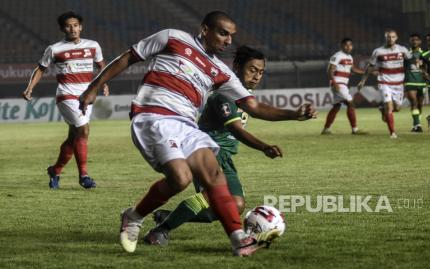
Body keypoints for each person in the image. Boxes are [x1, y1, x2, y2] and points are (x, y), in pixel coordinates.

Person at [79, 11, 317, 256]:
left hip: (186, 124)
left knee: (212, 171)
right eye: (223, 33)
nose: (228, 41)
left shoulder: (221, 71)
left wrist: (294, 113)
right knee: (179, 179)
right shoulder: (173, 38)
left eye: (231, 36)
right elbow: (128, 57)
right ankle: (134, 216)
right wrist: (93, 87)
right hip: (154, 115)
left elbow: (254, 106)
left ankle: (239, 239)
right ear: (205, 30)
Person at [143, 45, 283, 246]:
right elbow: (236, 130)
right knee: (210, 197)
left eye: (261, 72)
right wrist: (264, 147)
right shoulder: (224, 95)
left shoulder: (244, 97)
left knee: (236, 204)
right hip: (208, 153)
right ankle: (160, 231)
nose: (257, 76)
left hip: (226, 158)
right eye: (252, 70)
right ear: (237, 66)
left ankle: (171, 216)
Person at [22, 11, 109, 189]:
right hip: (66, 95)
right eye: (69, 25)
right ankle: (84, 175)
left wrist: (103, 83)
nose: (73, 28)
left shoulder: (93, 46)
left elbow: (102, 66)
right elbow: (40, 69)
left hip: (87, 94)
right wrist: (30, 88)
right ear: (63, 29)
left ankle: (56, 170)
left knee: (74, 137)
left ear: (81, 27)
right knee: (83, 130)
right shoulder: (55, 49)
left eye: (76, 25)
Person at [358, 29, 413, 139]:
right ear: (385, 38)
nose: (390, 39)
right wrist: (363, 80)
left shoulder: (402, 50)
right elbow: (370, 66)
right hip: (384, 82)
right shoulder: (378, 51)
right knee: (389, 107)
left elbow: (411, 60)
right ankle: (392, 132)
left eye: (393, 37)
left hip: (398, 83)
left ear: (396, 38)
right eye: (388, 37)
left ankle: (383, 110)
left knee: (397, 108)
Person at [322, 38, 366, 135]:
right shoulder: (337, 56)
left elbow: (353, 69)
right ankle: (355, 129)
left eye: (350, 45)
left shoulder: (350, 57)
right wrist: (334, 83)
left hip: (343, 84)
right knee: (350, 103)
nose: (348, 47)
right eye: (346, 45)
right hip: (338, 83)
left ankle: (326, 129)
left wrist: (365, 72)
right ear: (341, 45)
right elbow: (330, 70)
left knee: (336, 107)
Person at [404, 34, 427, 132]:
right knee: (414, 102)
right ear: (410, 41)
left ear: (420, 42)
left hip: (421, 82)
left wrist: (426, 73)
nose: (414, 42)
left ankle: (416, 124)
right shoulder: (406, 54)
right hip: (410, 81)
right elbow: (402, 67)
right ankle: (418, 125)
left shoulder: (425, 54)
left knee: (420, 104)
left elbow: (428, 66)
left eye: (416, 40)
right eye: (412, 40)